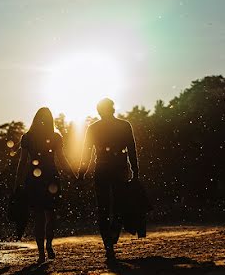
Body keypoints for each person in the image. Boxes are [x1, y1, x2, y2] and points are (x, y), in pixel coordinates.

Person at [78, 97, 139, 262]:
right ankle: (113, 234)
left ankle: (108, 243)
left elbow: (86, 152)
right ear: (112, 109)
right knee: (119, 203)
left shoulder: (94, 128)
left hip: (103, 168)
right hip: (119, 167)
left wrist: (82, 172)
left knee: (103, 207)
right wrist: (135, 170)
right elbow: (132, 149)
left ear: (99, 111)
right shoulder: (124, 125)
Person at [14, 107, 75, 263]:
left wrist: (18, 182)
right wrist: (72, 174)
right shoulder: (49, 137)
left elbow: (23, 162)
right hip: (50, 177)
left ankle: (44, 249)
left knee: (42, 216)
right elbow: (61, 159)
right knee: (48, 215)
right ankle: (45, 248)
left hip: (35, 177)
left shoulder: (32, 137)